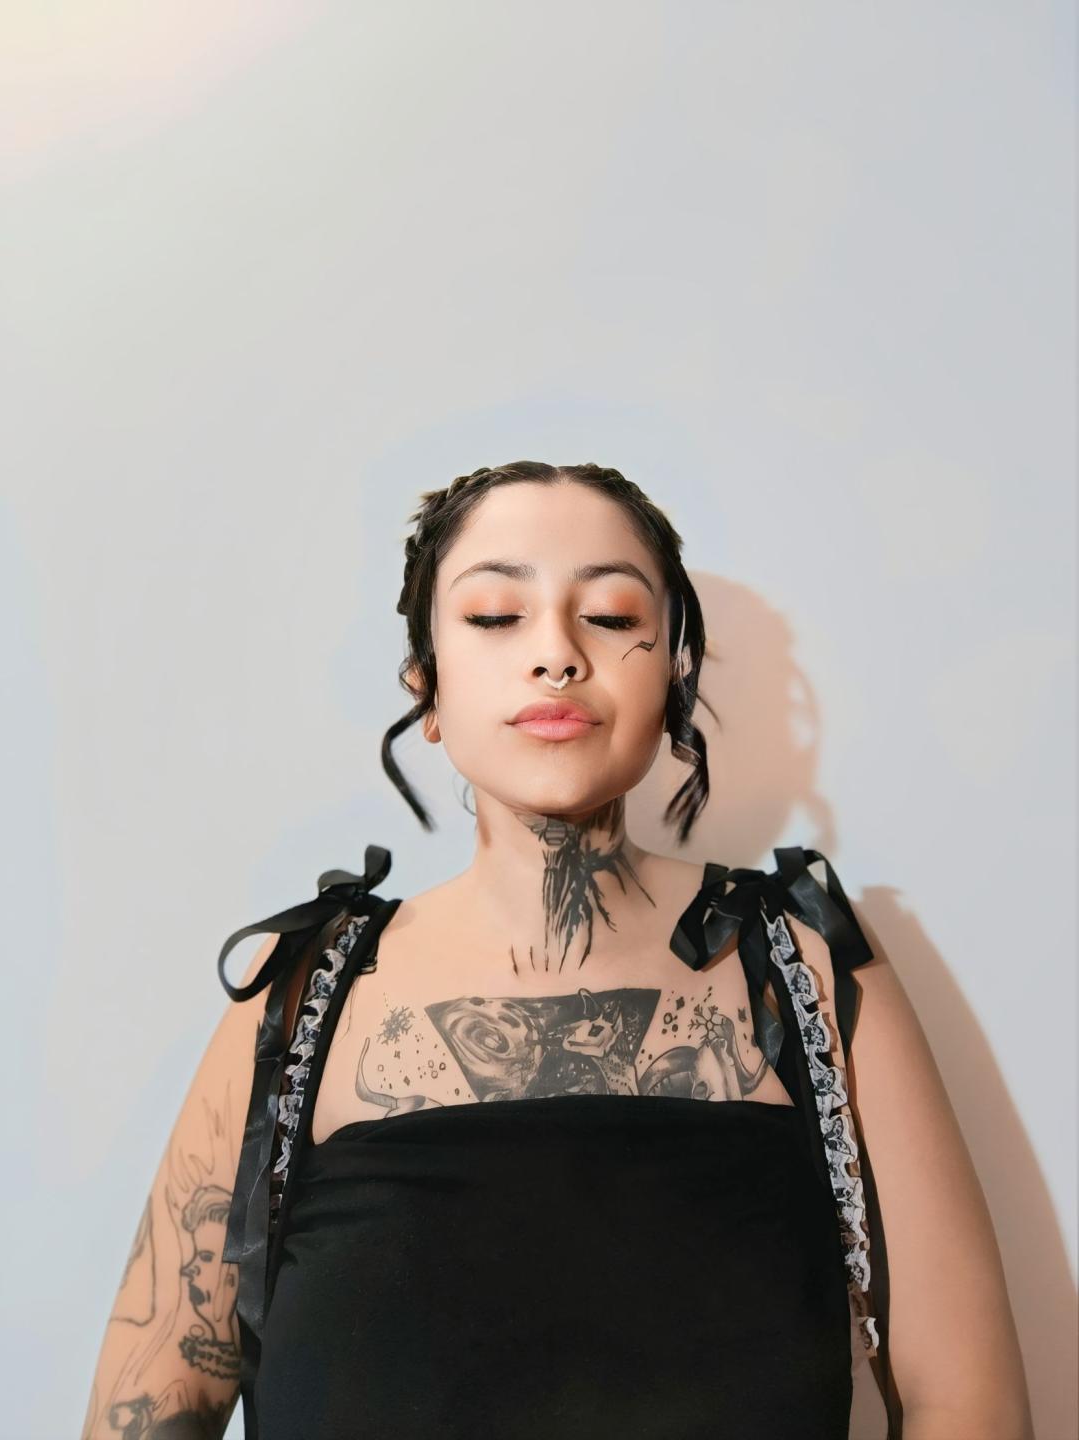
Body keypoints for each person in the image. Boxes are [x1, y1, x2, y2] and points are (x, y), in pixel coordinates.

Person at [81, 462, 1033, 1440]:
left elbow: (970, 1404)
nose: (556, 655)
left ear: (676, 673)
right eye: (496, 615)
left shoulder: (809, 971)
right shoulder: (300, 998)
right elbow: (149, 1409)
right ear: (427, 685)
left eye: (612, 616)